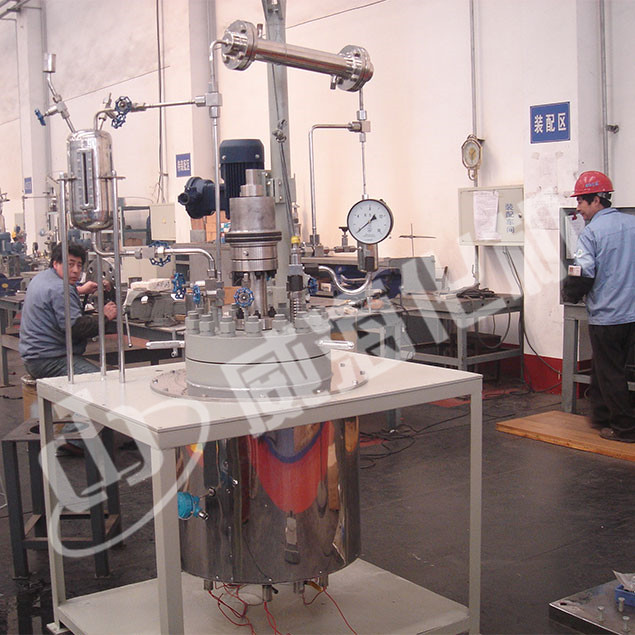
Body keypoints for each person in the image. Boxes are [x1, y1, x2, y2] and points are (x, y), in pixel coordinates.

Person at [562, 170, 635, 443]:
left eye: (581, 201)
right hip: (632, 314)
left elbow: (583, 273)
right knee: (606, 369)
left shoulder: (591, 233)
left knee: (610, 373)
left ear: (596, 200)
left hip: (608, 316)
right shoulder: (632, 223)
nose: (578, 208)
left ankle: (624, 429)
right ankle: (602, 416)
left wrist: (570, 293)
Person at [19, 242, 118, 379]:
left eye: (79, 265)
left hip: (34, 357)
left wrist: (80, 290)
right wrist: (105, 316)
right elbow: (76, 329)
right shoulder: (61, 289)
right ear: (56, 263)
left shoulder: (42, 278)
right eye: (70, 264)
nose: (76, 270)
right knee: (100, 382)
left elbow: (54, 295)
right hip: (49, 361)